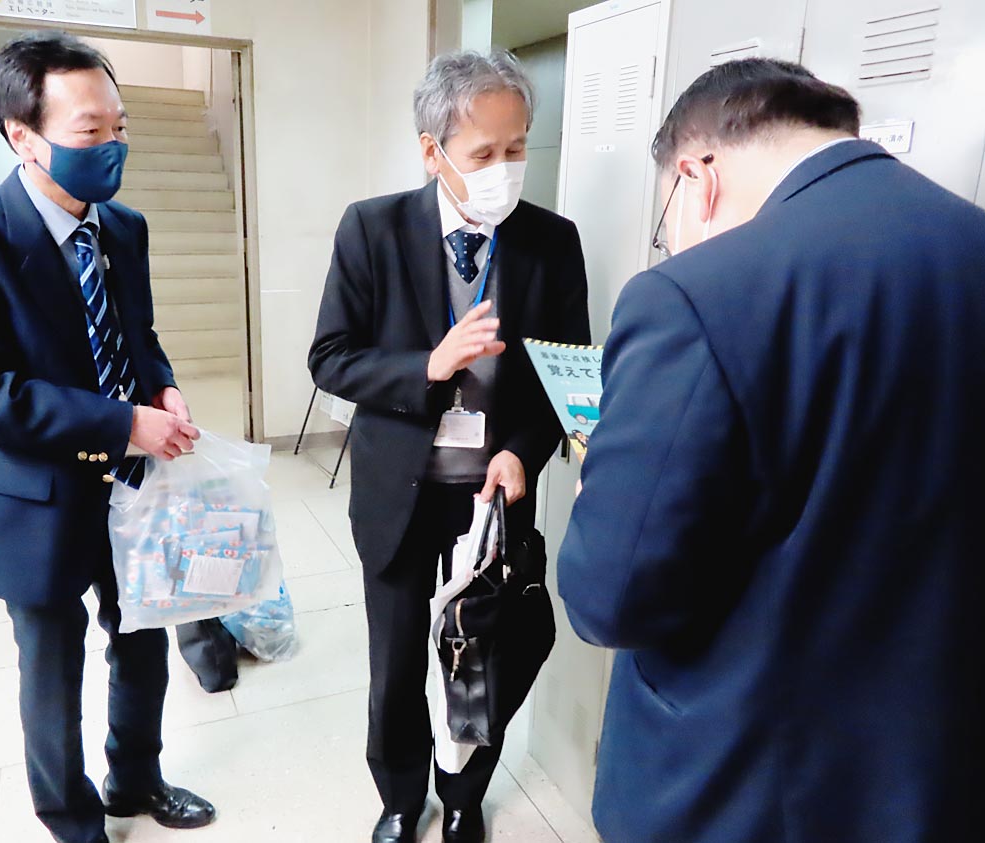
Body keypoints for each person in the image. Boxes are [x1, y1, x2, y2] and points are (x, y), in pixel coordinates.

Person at [558, 57, 985, 843]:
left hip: (745, 788)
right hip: (937, 772)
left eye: (666, 221)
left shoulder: (694, 294)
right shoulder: (969, 240)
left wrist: (599, 489)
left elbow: (609, 596)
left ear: (697, 176)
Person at [0, 31, 215, 843]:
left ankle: (135, 778)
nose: (112, 144)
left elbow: (138, 334)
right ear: (23, 135)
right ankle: (72, 821)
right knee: (52, 668)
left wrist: (161, 385)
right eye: (90, 130)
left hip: (132, 485)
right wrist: (123, 422)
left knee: (142, 640)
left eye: (120, 126)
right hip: (35, 495)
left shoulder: (125, 228)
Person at [309, 51, 589, 843]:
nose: (505, 168)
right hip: (399, 485)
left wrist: (524, 451)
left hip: (492, 490)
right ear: (432, 152)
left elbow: (568, 374)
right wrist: (427, 367)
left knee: (482, 655)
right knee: (397, 660)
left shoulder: (551, 241)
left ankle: (465, 794)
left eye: (517, 147)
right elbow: (330, 357)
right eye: (484, 152)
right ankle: (402, 796)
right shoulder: (372, 228)